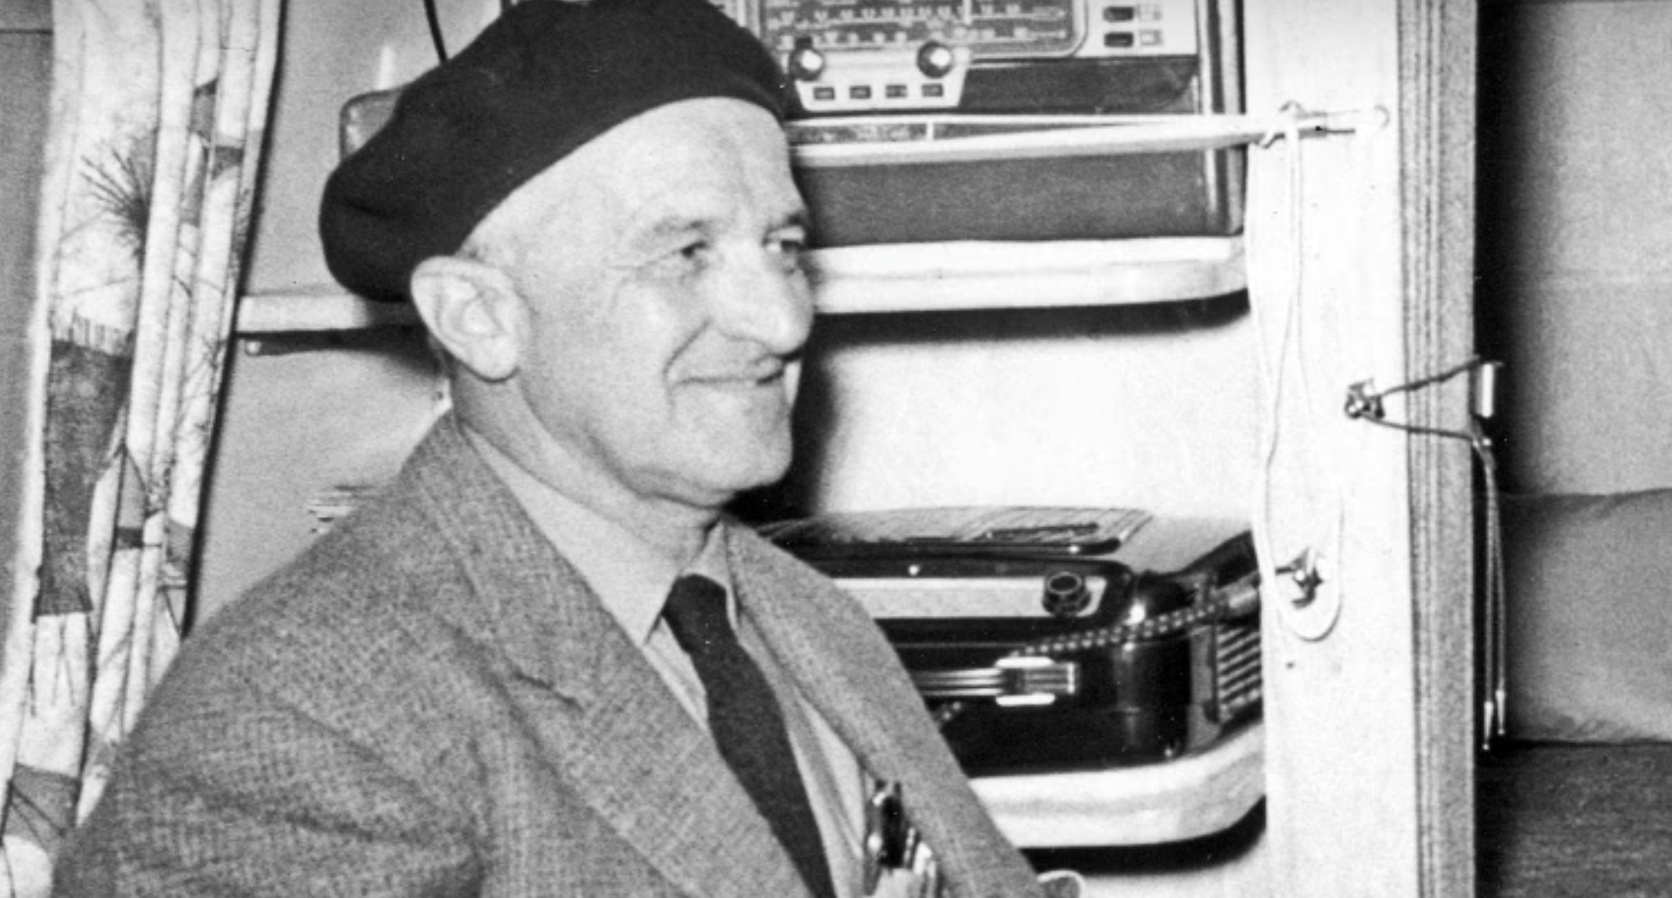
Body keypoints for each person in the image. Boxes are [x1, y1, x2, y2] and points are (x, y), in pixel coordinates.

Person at [54, 1, 1078, 896]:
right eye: (685, 253)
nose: (781, 319)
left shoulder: (808, 618)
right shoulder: (303, 711)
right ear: (480, 317)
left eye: (783, 247)